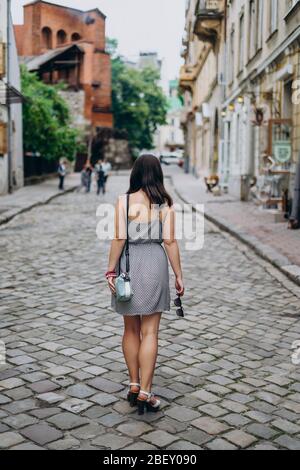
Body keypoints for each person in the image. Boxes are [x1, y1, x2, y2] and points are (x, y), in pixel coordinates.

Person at [106, 154, 184, 414]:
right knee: (150, 331)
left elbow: (118, 238)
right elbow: (170, 242)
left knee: (130, 329)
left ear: (135, 174)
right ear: (158, 175)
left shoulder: (123, 201)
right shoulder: (165, 204)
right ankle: (147, 393)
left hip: (128, 265)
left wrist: (109, 270)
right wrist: (178, 275)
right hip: (154, 264)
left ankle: (134, 384)